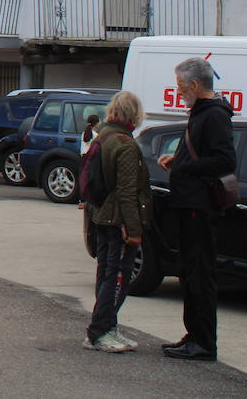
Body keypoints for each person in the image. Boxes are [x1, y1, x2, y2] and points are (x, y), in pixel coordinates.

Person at [158, 57, 236, 361]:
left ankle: (203, 342)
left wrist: (186, 168)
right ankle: (193, 335)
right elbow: (202, 154)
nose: (178, 91)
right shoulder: (202, 112)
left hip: (200, 207)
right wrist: (179, 160)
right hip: (189, 203)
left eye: (180, 85)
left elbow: (224, 161)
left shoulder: (214, 115)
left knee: (200, 274)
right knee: (190, 273)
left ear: (193, 84)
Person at [83, 90, 151, 353]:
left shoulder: (103, 136)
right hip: (118, 221)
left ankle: (108, 327)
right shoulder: (125, 144)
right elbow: (127, 191)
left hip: (101, 215)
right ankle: (99, 332)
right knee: (117, 277)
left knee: (106, 273)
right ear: (134, 114)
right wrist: (134, 229)